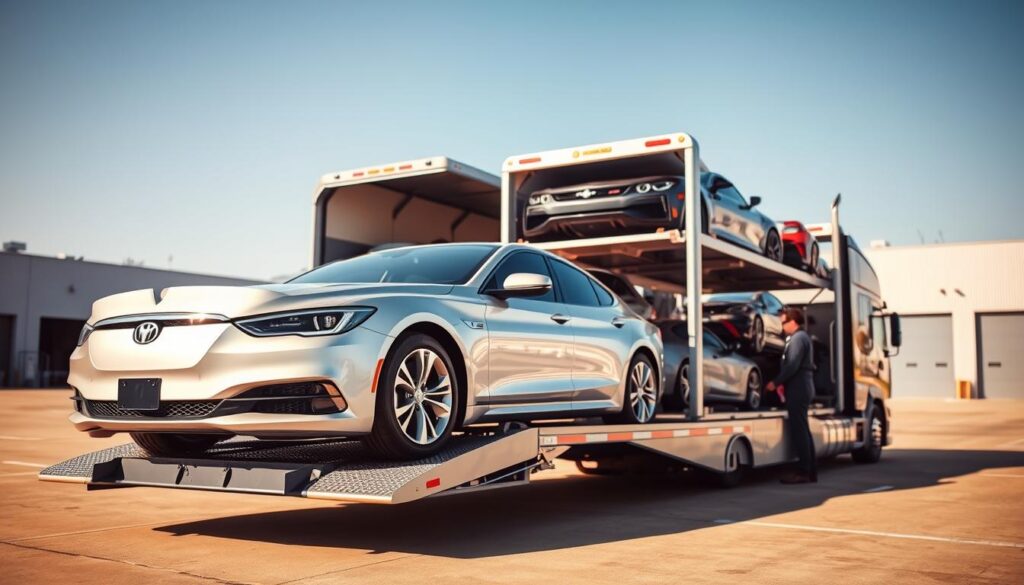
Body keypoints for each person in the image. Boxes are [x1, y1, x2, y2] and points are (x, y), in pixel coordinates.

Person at [765, 306, 818, 484]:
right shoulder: (799, 338)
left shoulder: (797, 339)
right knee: (803, 429)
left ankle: (804, 471)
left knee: (800, 430)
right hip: (800, 386)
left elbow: (792, 365)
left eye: (784, 322)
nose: (782, 326)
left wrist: (776, 382)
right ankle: (810, 471)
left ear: (793, 322)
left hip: (799, 388)